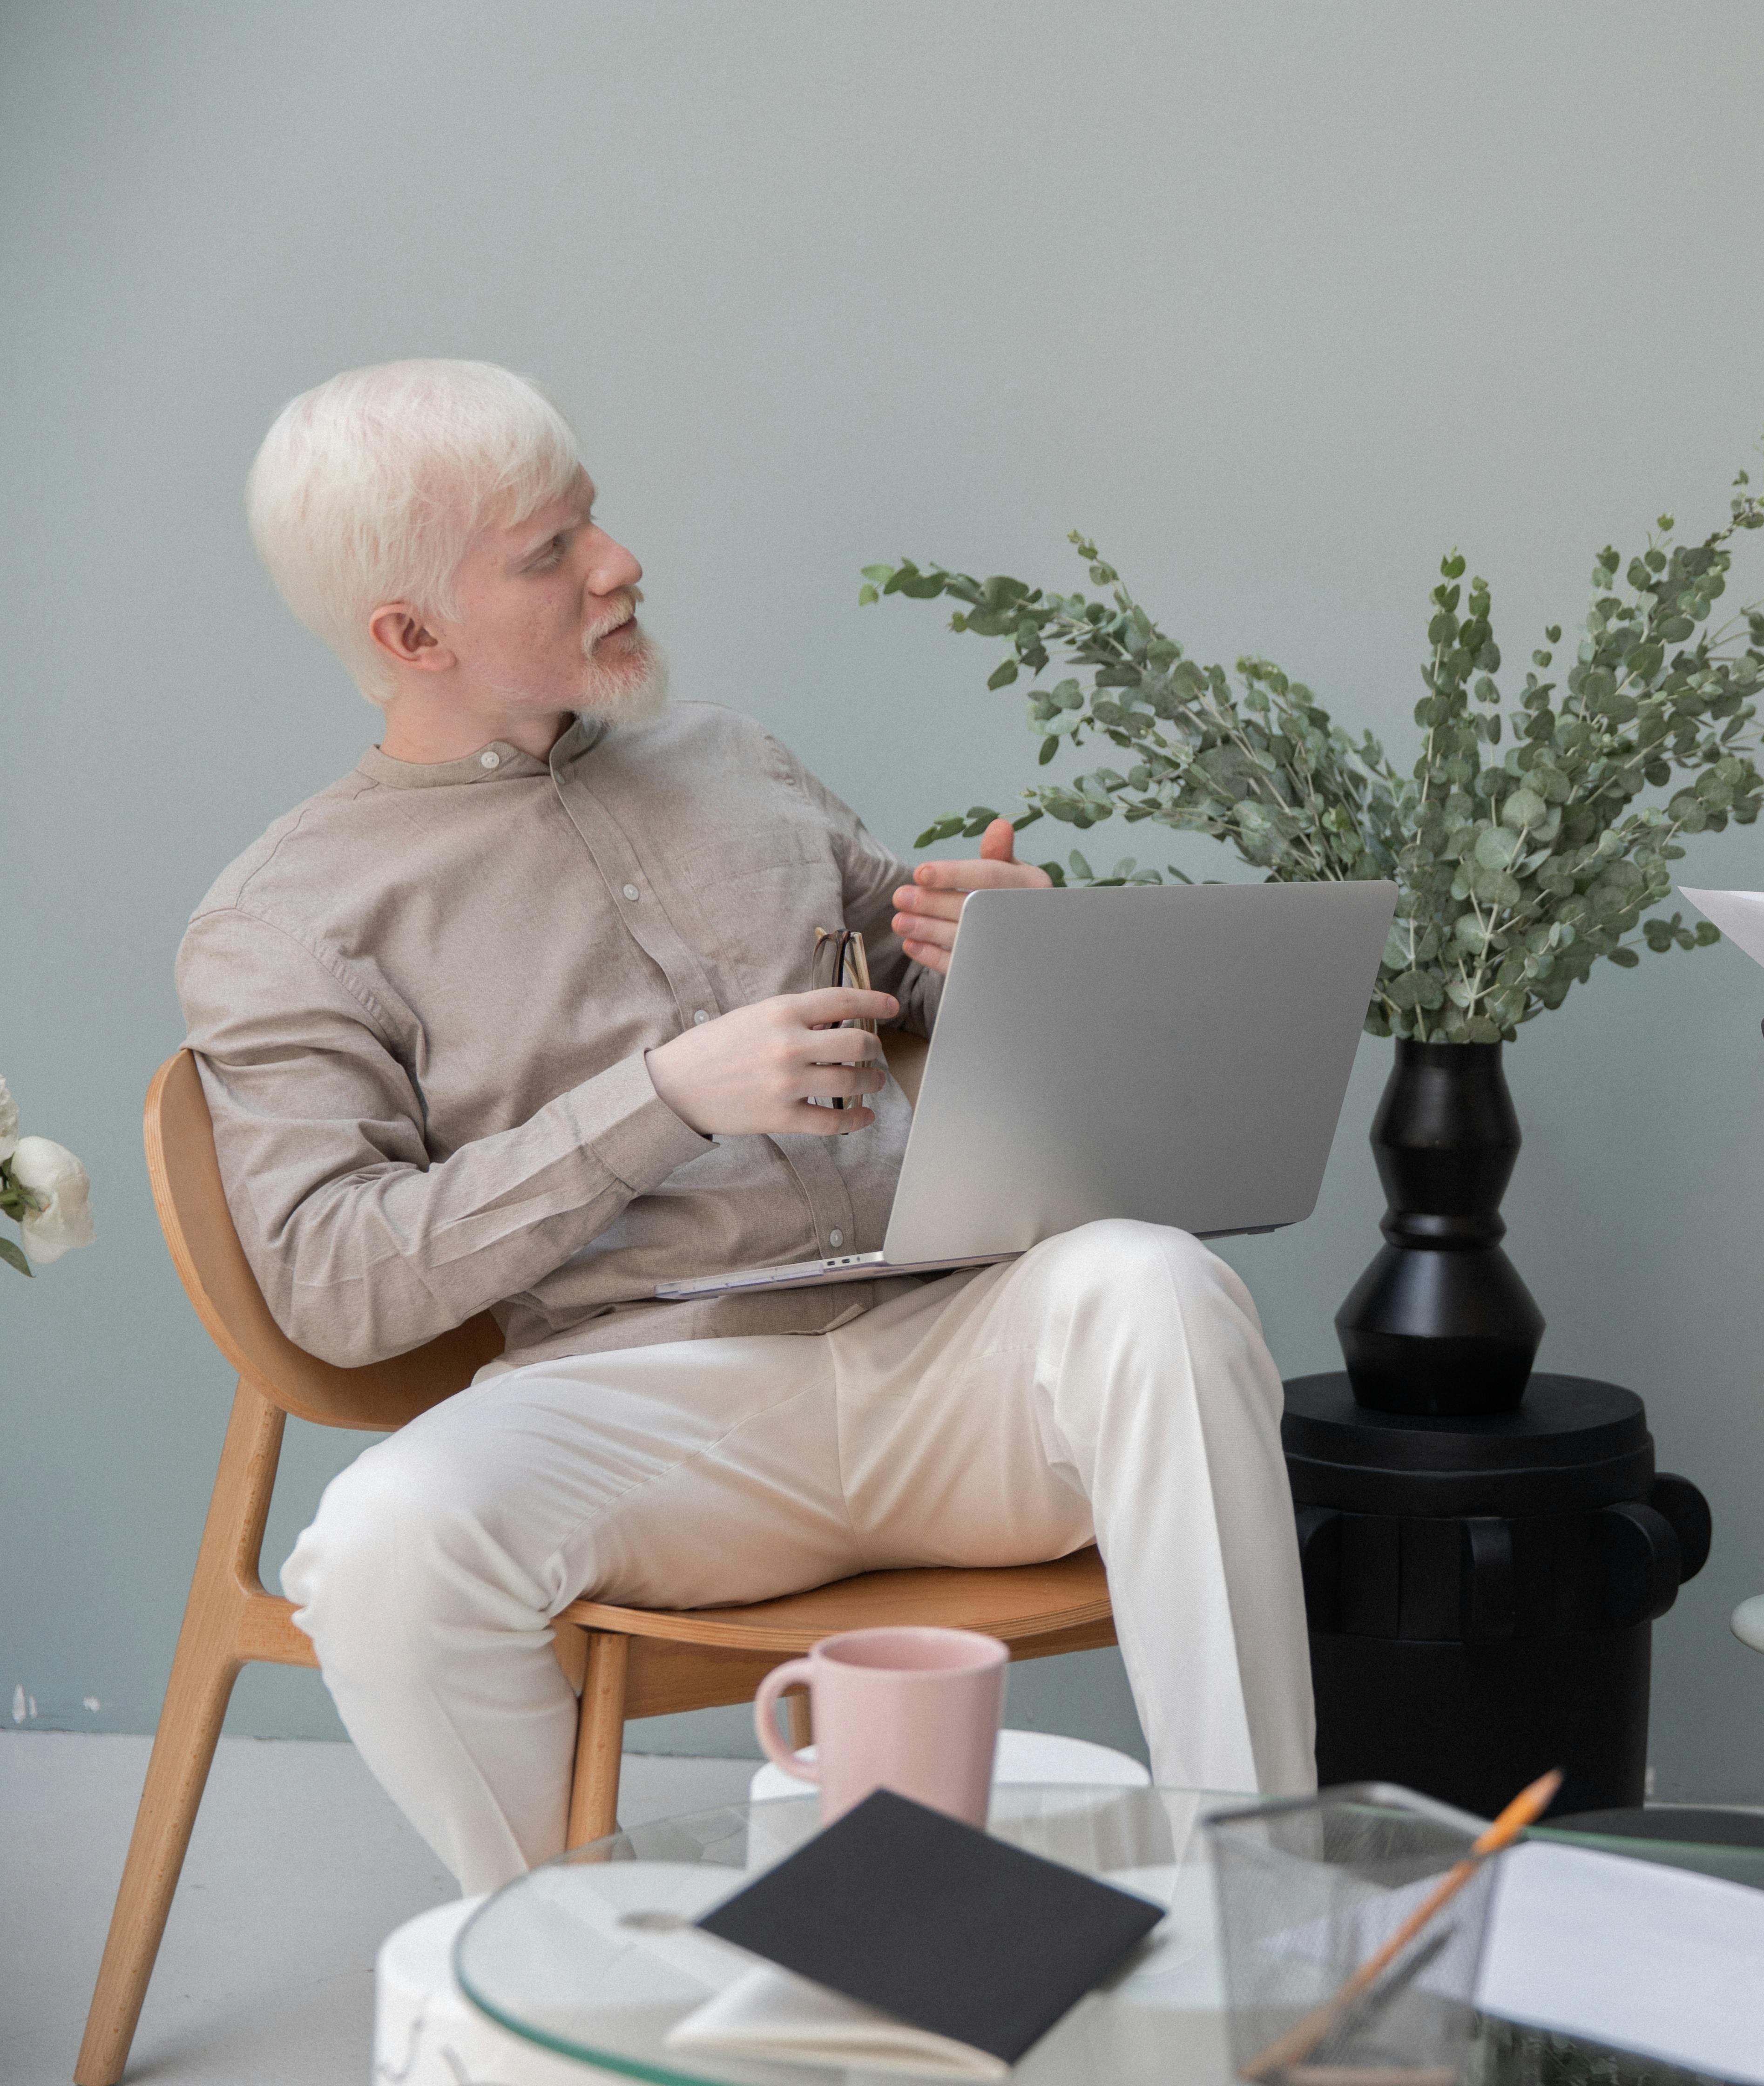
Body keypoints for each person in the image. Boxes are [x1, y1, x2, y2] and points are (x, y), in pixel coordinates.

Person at [183, 359, 1314, 1894]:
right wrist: (657, 1103)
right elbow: (331, 1280)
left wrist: (982, 956)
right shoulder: (286, 921)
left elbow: (896, 986)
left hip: (945, 1358)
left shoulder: (732, 757)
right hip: (653, 1418)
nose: (618, 563)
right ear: (411, 635)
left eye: (594, 520)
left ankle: (1262, 1915)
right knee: (379, 1546)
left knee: (1160, 1287)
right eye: (547, 552)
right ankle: (581, 1970)